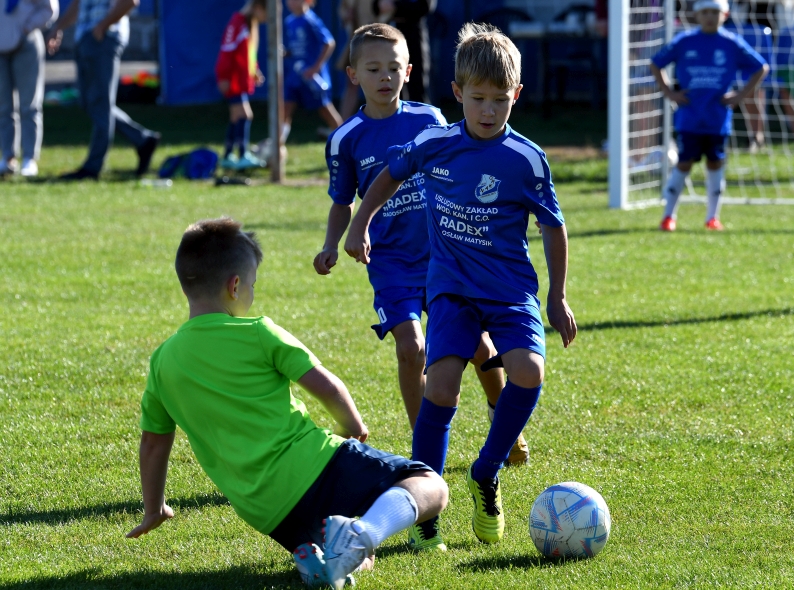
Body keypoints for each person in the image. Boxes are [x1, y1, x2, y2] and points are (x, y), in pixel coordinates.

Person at [343, 23, 577, 547]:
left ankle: (485, 471)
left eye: (500, 100)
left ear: (516, 95)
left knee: (528, 371)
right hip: (450, 291)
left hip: (510, 291)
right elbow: (389, 174)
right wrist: (360, 224)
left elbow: (553, 226)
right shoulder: (436, 143)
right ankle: (424, 513)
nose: (488, 111)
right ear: (458, 93)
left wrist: (557, 295)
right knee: (441, 386)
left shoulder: (526, 158)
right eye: (478, 98)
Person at [128, 218, 449, 590]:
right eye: (252, 285)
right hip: (315, 465)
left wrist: (154, 509)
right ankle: (363, 532)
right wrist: (352, 426)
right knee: (431, 486)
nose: (251, 292)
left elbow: (153, 443)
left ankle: (316, 555)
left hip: (264, 509)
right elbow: (326, 385)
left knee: (353, 554)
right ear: (235, 286)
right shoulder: (258, 332)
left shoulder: (162, 361)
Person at [651, 0, 769, 232]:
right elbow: (656, 63)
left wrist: (741, 95)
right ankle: (668, 216)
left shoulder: (731, 42)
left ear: (725, 14)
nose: (709, 17)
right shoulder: (684, 41)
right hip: (689, 118)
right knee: (684, 163)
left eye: (715, 12)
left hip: (717, 119)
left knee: (715, 163)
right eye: (704, 12)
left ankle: (712, 217)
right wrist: (669, 92)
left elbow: (761, 67)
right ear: (696, 15)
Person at [46, 0, 161, 180]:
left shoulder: (102, 31)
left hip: (103, 38)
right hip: (85, 38)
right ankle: (143, 139)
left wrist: (102, 27)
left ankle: (92, 167)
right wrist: (59, 27)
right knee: (89, 102)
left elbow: (131, 2)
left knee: (100, 103)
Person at [0, 0, 57, 177]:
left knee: (29, 104)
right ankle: (8, 157)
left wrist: (26, 28)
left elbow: (49, 9)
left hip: (26, 43)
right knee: (3, 106)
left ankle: (29, 158)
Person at [281, 0, 343, 147]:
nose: (291, 2)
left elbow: (329, 43)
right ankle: (277, 145)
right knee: (285, 110)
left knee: (325, 110)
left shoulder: (311, 20)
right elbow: (298, 48)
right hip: (295, 76)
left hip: (312, 79)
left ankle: (345, 140)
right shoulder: (289, 21)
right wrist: (286, 53)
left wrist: (316, 68)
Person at [215, 0, 266, 171]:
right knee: (246, 115)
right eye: (267, 13)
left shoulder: (247, 26)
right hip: (232, 80)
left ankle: (228, 155)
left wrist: (254, 70)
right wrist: (223, 76)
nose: (267, 18)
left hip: (239, 80)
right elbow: (227, 50)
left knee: (236, 117)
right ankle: (243, 154)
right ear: (257, 8)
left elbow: (248, 53)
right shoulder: (237, 23)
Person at [390, 0, 435, 104]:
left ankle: (419, 114)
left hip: (414, 36)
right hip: (389, 36)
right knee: (393, 86)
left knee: (417, 85)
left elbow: (424, 6)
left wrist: (395, 6)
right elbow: (376, 6)